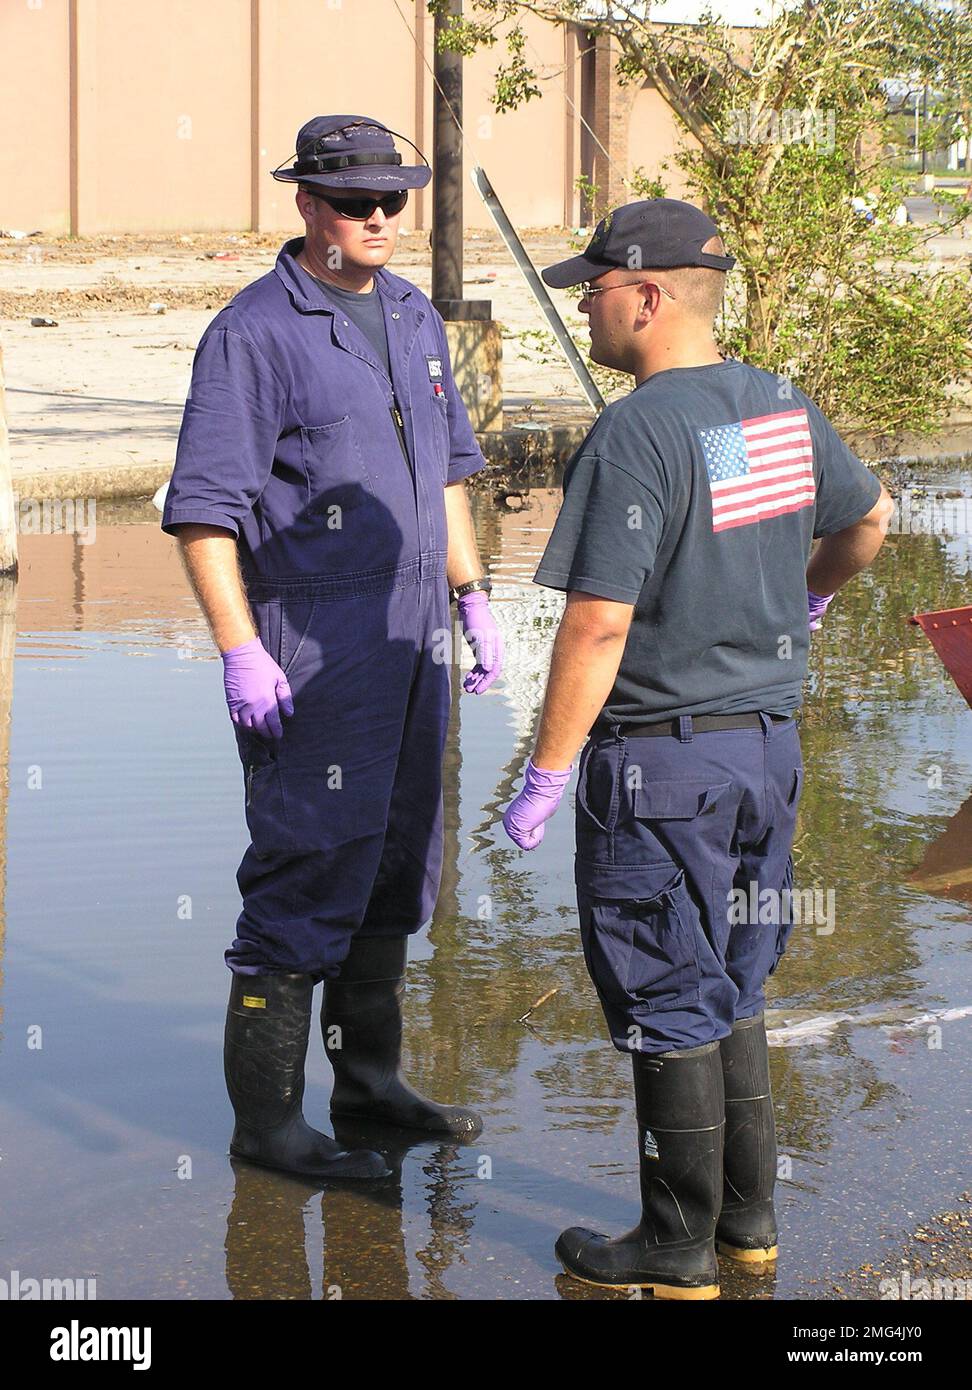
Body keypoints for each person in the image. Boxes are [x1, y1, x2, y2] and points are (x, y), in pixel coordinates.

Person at [502, 198, 894, 1297]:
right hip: (766, 755)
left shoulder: (638, 431)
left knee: (670, 989)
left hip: (661, 765)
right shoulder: (772, 405)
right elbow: (870, 521)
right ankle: (749, 1228)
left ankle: (676, 1249)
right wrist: (804, 601)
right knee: (736, 978)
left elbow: (597, 624)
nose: (584, 302)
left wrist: (543, 773)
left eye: (594, 285)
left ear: (648, 294)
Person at [161, 114, 503, 1182]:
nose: (380, 218)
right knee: (305, 874)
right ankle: (267, 1127)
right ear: (305, 203)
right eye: (356, 201)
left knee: (397, 866)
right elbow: (203, 511)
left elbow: (447, 469)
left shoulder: (413, 316)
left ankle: (368, 1085)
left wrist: (473, 590)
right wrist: (236, 648)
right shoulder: (252, 333)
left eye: (394, 198)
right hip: (309, 648)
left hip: (412, 641)